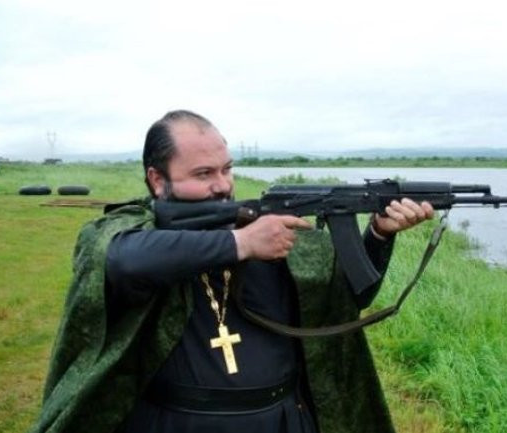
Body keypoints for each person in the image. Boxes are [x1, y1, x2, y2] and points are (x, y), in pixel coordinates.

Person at [30, 109, 434, 433]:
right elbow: (121, 260)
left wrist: (378, 235)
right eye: (203, 174)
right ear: (157, 180)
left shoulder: (269, 230)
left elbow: (344, 301)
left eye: (227, 169)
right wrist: (241, 244)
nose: (223, 185)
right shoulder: (128, 232)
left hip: (282, 419)